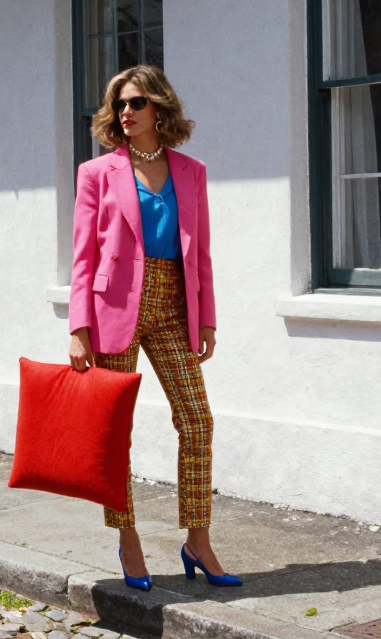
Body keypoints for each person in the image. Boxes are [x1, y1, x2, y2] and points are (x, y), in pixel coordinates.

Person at [68, 64, 241, 591]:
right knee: (115, 431)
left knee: (197, 419)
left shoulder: (191, 171)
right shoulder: (97, 173)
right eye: (119, 104)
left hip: (172, 305)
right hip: (113, 307)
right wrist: (79, 325)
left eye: (137, 102)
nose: (126, 112)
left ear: (159, 108)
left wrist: (206, 315)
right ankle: (128, 538)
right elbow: (82, 254)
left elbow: (201, 251)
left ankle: (198, 539)